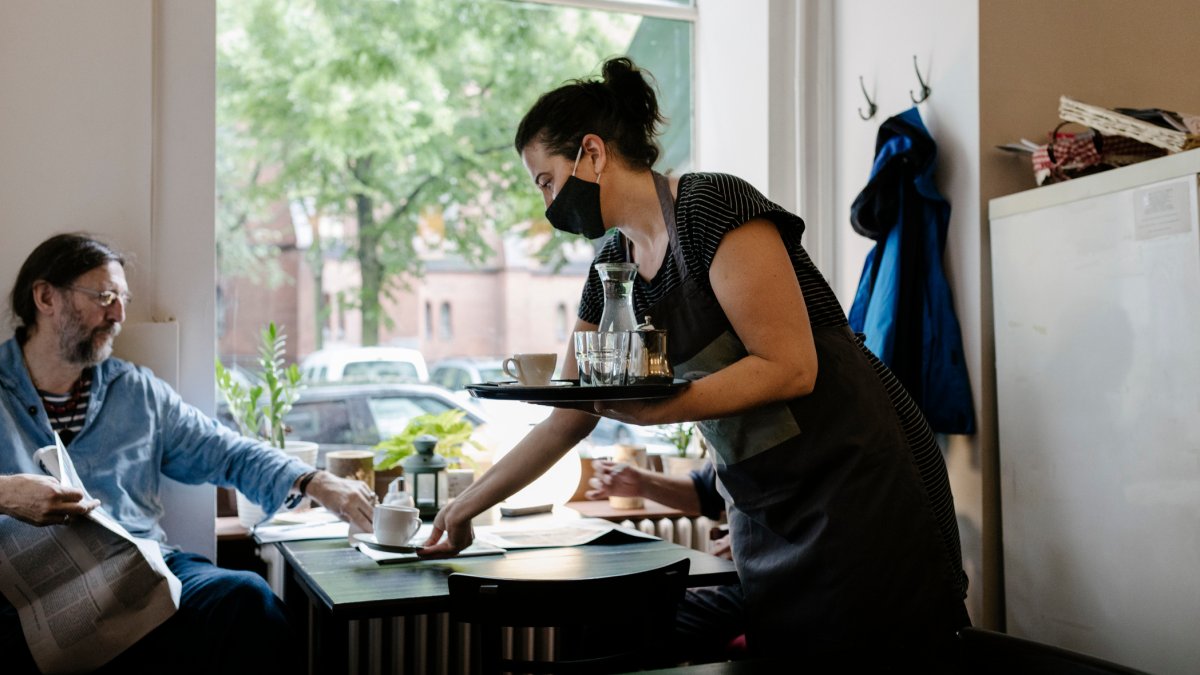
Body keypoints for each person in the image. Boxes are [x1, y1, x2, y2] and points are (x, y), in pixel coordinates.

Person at [421, 56, 970, 668]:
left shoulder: (712, 205)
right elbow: (567, 414)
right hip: (767, 504)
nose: (549, 203)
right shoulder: (614, 269)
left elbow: (791, 367)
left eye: (546, 180)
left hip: (861, 477)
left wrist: (660, 411)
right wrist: (464, 507)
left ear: (593, 154)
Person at [0, 233, 377, 675]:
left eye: (122, 299)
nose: (119, 314)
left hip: (141, 578)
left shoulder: (138, 392)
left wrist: (313, 480)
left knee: (247, 601)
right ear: (45, 297)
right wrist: (6, 493)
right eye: (104, 297)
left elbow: (225, 450)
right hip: (32, 601)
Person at [586, 458, 745, 665]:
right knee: (604, 618)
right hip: (745, 579)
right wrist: (640, 482)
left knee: (618, 629)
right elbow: (707, 489)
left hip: (776, 587)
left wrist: (753, 542)